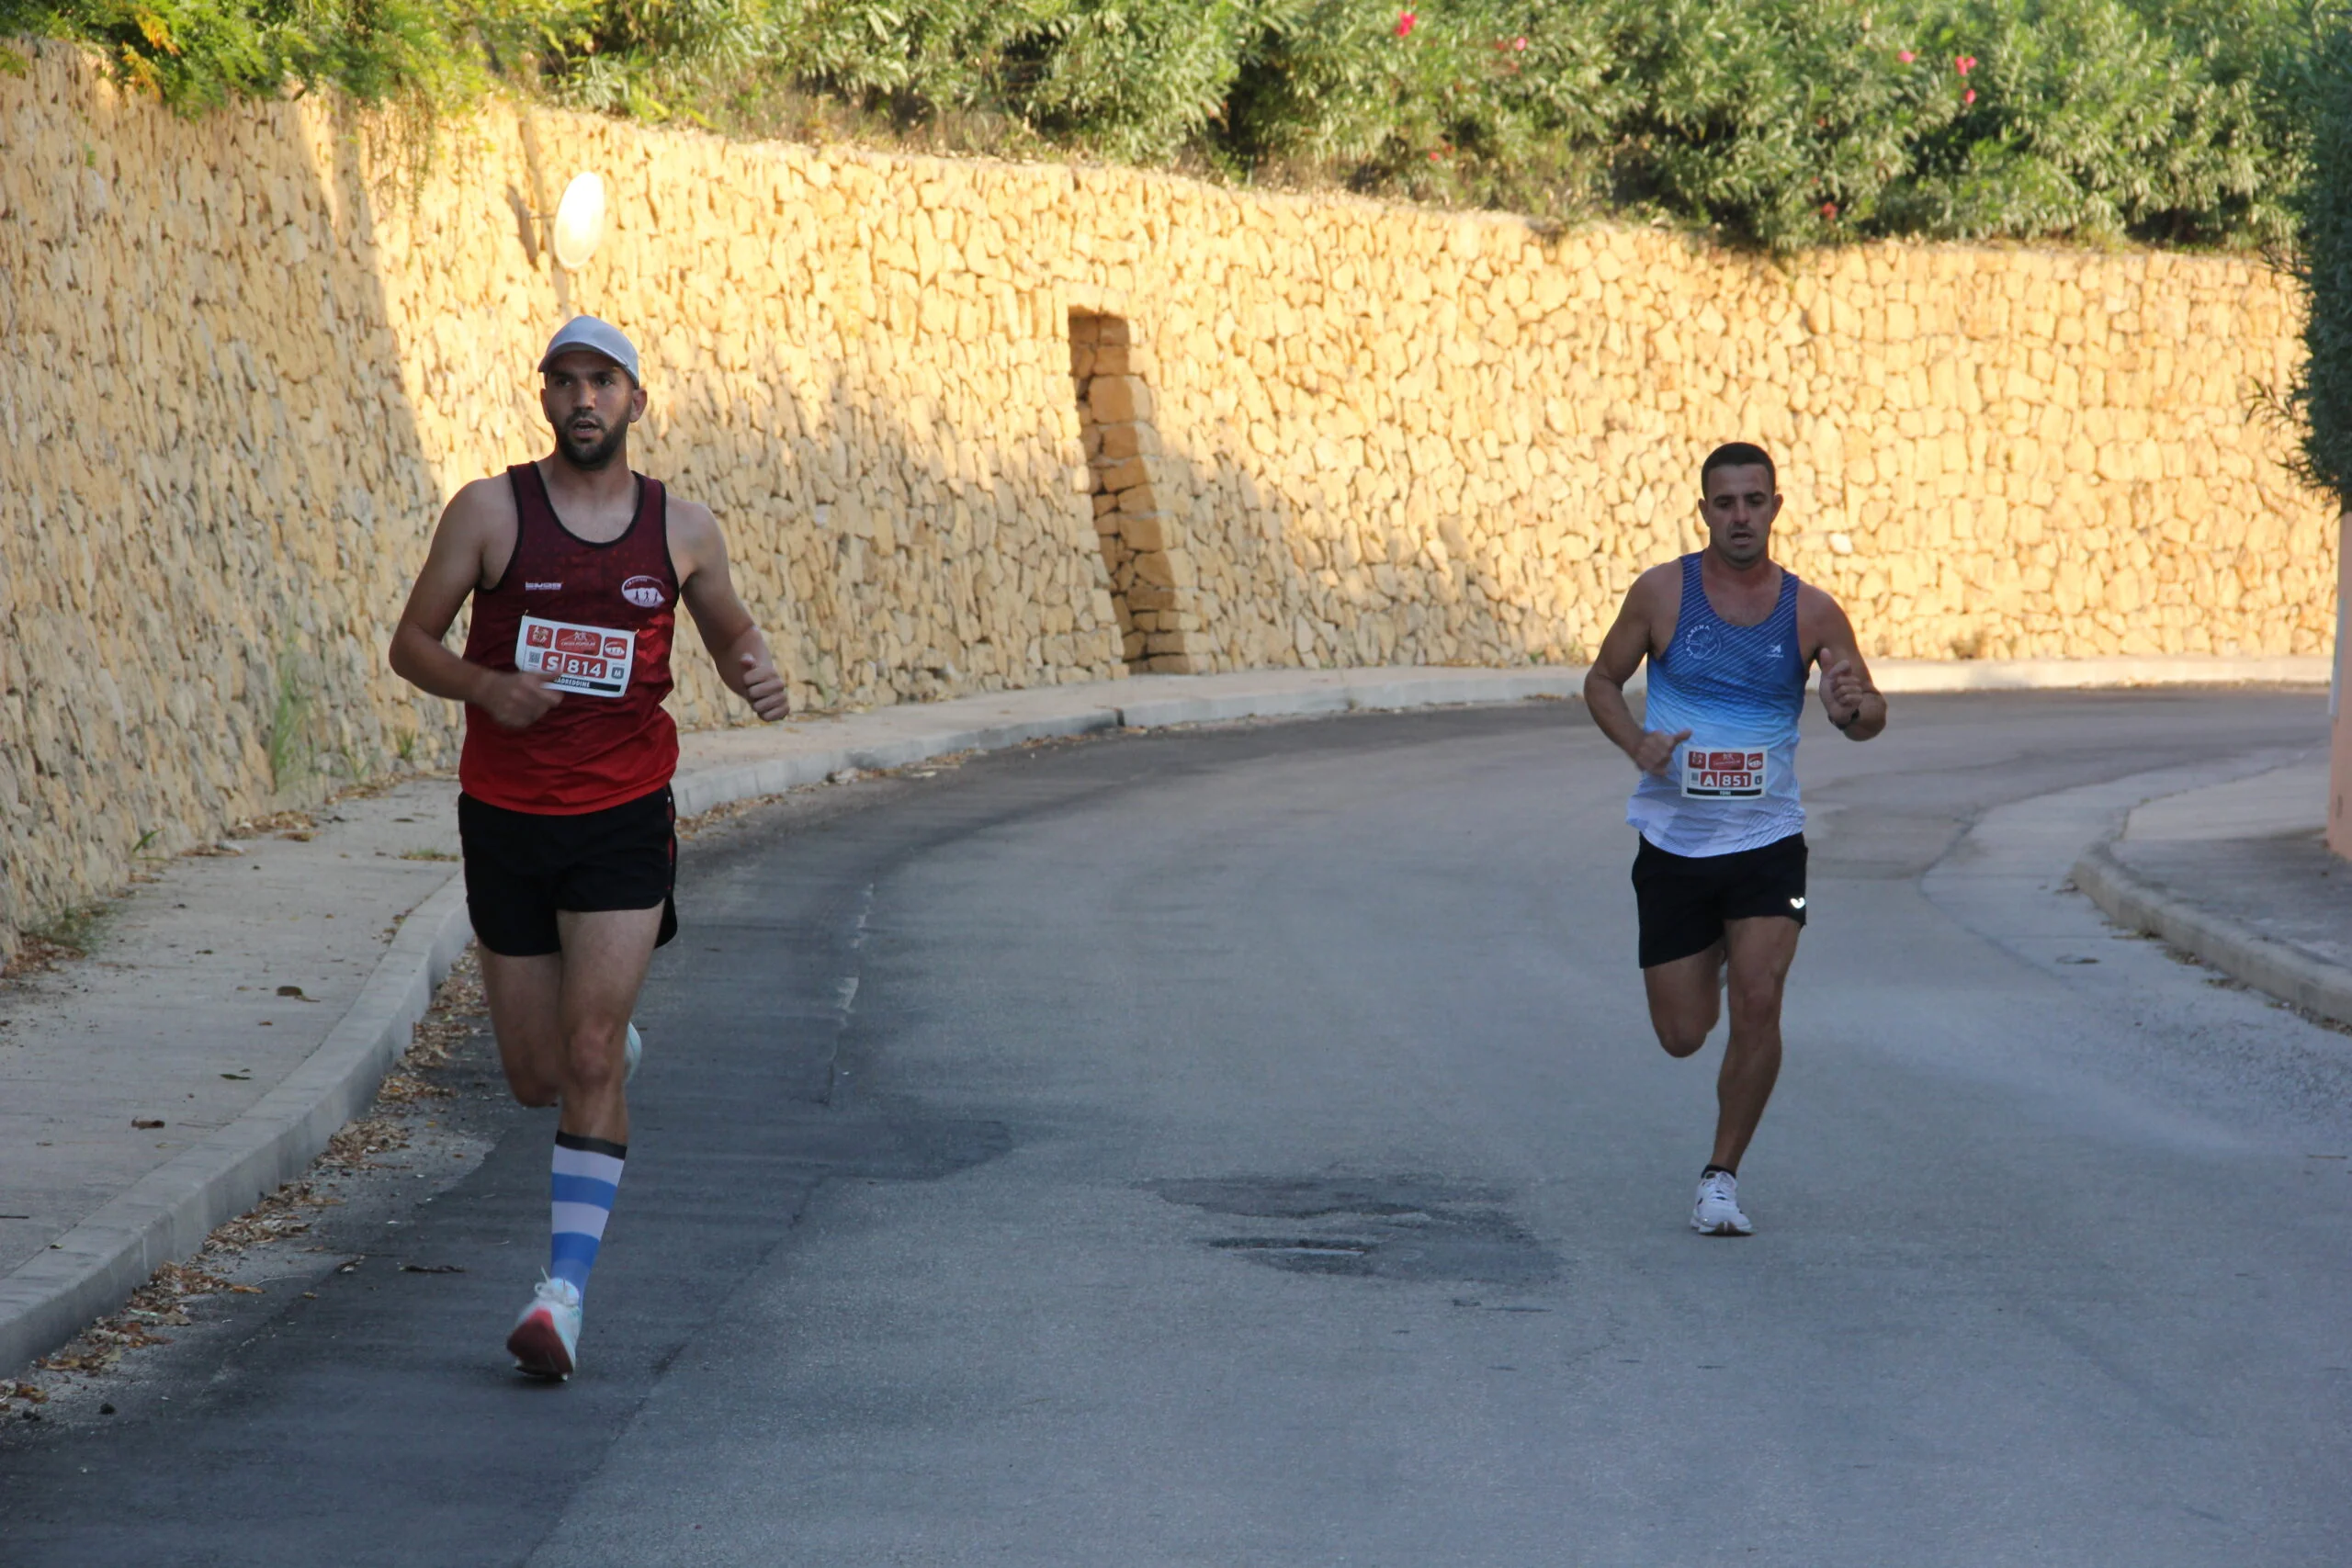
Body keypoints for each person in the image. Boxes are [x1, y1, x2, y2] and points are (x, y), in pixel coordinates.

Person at [389, 316, 790, 1376]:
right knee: (533, 1077)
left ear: (635, 403)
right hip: (508, 817)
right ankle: (603, 1056)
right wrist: (486, 686)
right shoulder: (489, 512)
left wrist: (756, 670)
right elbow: (412, 643)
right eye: (563, 381)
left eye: (601, 382)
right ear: (544, 401)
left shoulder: (683, 528)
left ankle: (559, 1297)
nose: (581, 398)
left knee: (586, 1054)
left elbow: (730, 629)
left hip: (622, 815)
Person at [1583, 441, 1885, 1235]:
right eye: (1726, 503)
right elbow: (1601, 681)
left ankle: (1721, 1176)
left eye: (1755, 500)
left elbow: (1865, 716)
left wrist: (1851, 705)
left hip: (1766, 840)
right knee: (1683, 1035)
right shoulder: (1661, 593)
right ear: (1705, 511)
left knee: (1760, 996)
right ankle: (1713, 947)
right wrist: (1634, 743)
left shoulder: (1812, 611)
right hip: (1676, 842)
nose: (1741, 515)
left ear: (1776, 507)